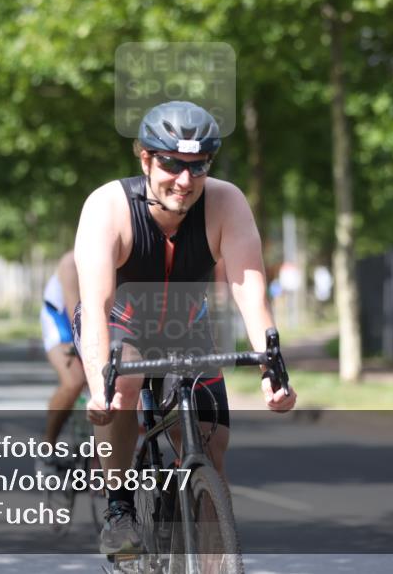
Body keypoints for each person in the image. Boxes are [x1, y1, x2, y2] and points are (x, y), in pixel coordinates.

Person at [73, 100, 298, 555]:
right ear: (145, 158)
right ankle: (119, 509)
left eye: (198, 167)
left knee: (213, 450)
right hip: (121, 325)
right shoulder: (109, 207)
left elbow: (249, 292)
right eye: (172, 164)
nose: (184, 179)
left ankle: (209, 546)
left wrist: (273, 372)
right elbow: (96, 305)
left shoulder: (226, 202)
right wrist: (100, 384)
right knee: (127, 381)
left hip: (186, 327)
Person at [37, 250, 87, 473]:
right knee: (74, 381)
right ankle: (47, 446)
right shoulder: (71, 263)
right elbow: (76, 314)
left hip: (96, 318)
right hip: (62, 322)